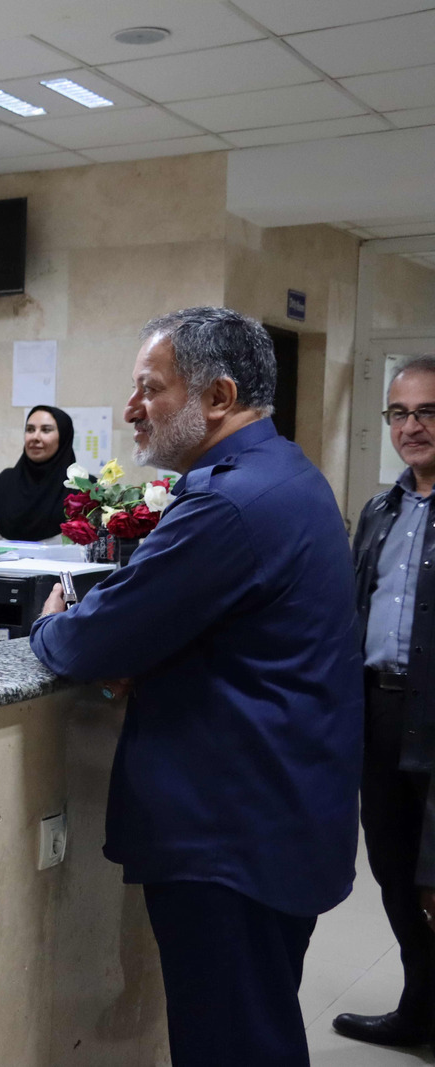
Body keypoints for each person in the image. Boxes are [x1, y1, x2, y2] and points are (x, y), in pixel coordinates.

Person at [30, 307, 361, 1066]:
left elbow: (90, 640)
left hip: (232, 834)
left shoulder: (230, 504)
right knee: (253, 1032)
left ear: (218, 396)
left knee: (233, 1044)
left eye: (151, 389)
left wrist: (51, 624)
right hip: (277, 814)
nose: (131, 409)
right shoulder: (286, 474)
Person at [335, 355, 435, 1049]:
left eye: (427, 411)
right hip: (381, 713)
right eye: (399, 413)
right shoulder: (380, 510)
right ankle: (420, 1007)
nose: (411, 427)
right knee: (394, 872)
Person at [0, 405, 76, 543]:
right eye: (30, 430)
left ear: (63, 437)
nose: (35, 437)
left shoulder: (82, 488)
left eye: (46, 430)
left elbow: (91, 546)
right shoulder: (4, 482)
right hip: (4, 558)